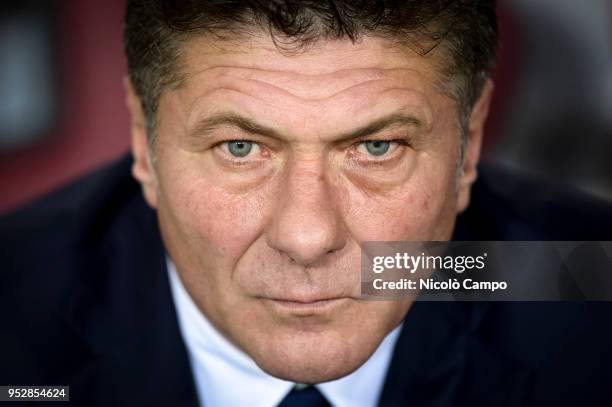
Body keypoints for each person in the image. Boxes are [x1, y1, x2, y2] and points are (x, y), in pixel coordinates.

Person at [1, 1, 612, 406]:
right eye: (239, 147)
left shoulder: (584, 285)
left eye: (377, 147)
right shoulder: (13, 316)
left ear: (470, 141)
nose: (306, 236)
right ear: (144, 138)